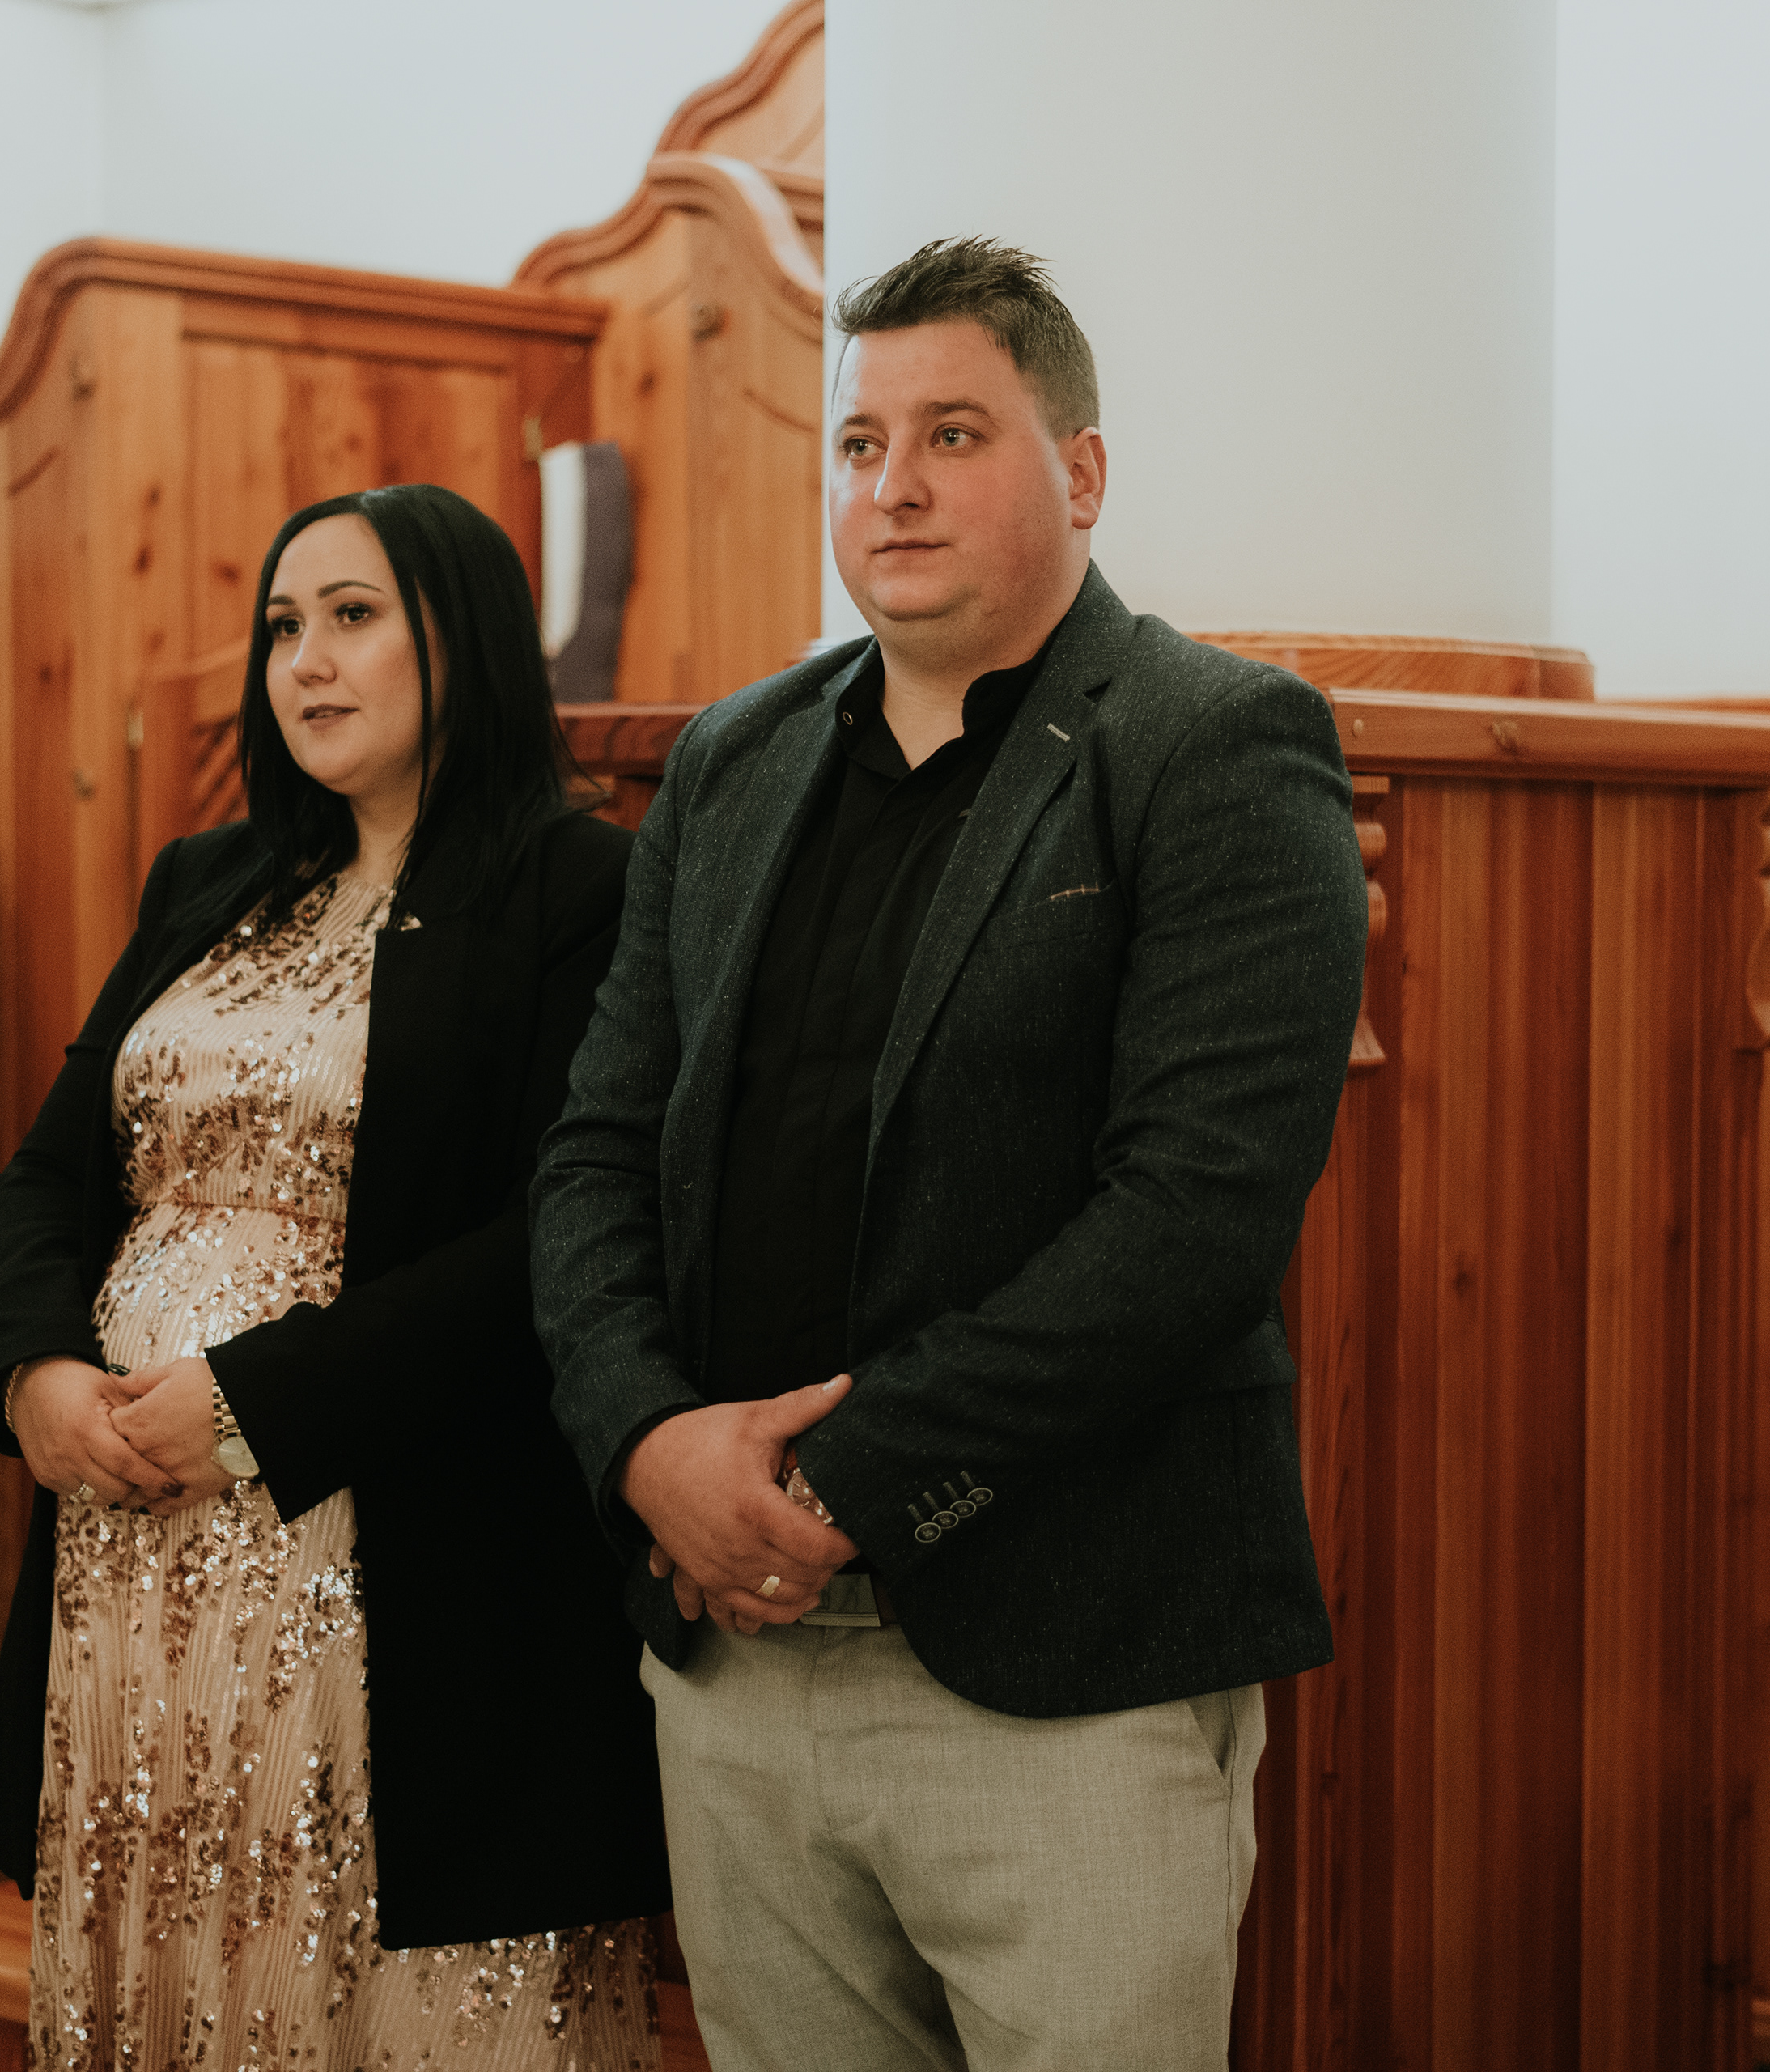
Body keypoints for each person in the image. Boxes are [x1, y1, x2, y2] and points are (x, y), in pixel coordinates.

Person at [533, 237, 1373, 2070]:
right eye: (860, 442)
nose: (892, 484)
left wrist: (831, 1484)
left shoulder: (1217, 745)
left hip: (1065, 1658)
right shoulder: (730, 762)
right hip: (735, 1653)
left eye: (953, 434)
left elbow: (1194, 1220)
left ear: (1082, 470)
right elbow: (597, 1152)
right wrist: (650, 1446)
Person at [0, 482, 670, 2071]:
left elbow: (558, 1231)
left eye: (354, 616)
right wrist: (34, 1375)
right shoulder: (208, 878)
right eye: (284, 625)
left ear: (463, 639)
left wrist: (251, 1404)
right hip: (135, 1543)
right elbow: (44, 1176)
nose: (307, 661)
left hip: (390, 1542)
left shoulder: (576, 888)